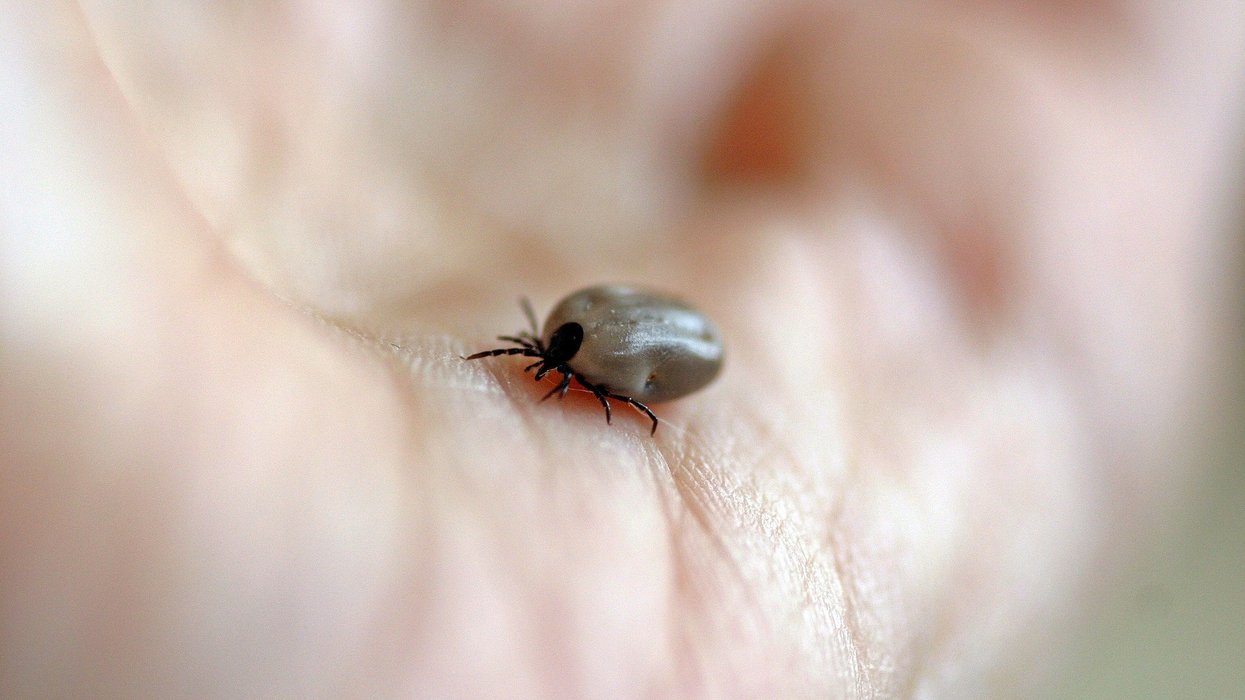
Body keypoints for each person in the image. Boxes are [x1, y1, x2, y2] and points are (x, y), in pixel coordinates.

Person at [2, 1, 1241, 696]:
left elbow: (627, 357)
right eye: (553, 368)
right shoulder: (585, 347)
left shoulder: (590, 346)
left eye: (552, 369)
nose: (545, 377)